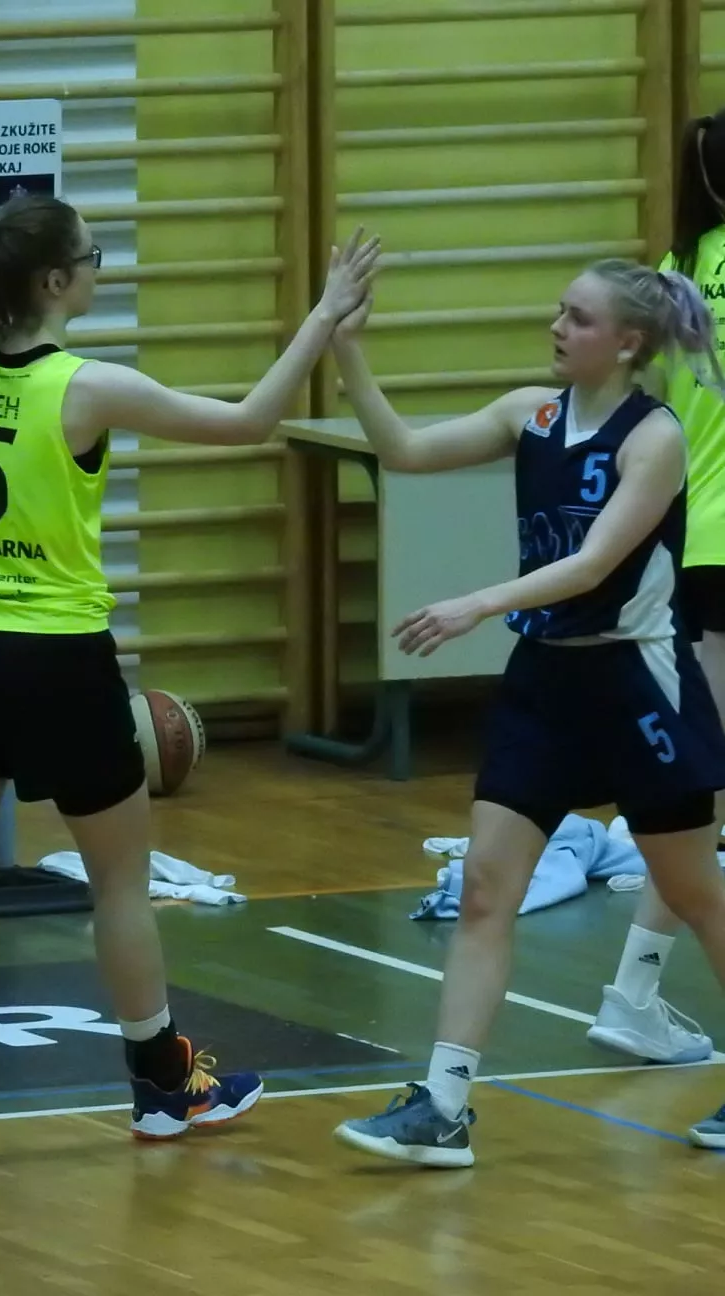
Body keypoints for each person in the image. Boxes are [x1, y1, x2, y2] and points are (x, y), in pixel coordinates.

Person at [0, 193, 381, 1164]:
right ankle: (163, 1087)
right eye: (92, 257)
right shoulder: (87, 386)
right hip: (58, 657)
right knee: (121, 884)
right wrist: (324, 313)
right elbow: (251, 420)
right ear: (56, 281)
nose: (100, 268)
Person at [331, 258, 725, 1168]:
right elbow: (403, 450)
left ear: (626, 342)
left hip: (637, 685)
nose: (557, 326)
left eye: (578, 318)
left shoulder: (653, 438)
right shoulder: (530, 414)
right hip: (545, 685)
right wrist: (348, 348)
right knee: (484, 889)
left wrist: (475, 603)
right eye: (560, 311)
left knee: (696, 895)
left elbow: (591, 566)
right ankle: (443, 1104)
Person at [583, 109, 725, 1073]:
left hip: (691, 540)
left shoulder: (675, 270)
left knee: (705, 787)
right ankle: (633, 994)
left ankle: (635, 992)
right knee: (700, 792)